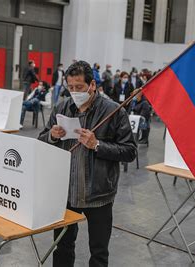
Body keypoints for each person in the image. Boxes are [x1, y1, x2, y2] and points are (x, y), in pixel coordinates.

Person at [38, 61, 136, 267]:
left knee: (99, 252)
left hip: (98, 194)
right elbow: (42, 140)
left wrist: (97, 144)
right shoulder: (62, 107)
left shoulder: (114, 111)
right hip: (67, 192)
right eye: (70, 87)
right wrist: (53, 136)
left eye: (79, 87)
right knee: (63, 247)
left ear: (92, 85)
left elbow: (130, 151)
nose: (74, 92)